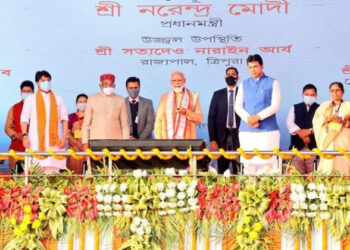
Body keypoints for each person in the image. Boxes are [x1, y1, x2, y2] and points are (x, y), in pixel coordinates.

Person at [235, 54, 281, 174]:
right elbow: (237, 106)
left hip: (267, 130)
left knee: (267, 166)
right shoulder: (243, 84)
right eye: (250, 67)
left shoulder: (273, 82)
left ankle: (269, 192)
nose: (253, 70)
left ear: (262, 66)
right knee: (248, 166)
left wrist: (258, 117)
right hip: (246, 131)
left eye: (255, 66)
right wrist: (249, 119)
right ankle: (248, 192)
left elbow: (275, 106)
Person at [20, 70, 68, 173]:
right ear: (37, 83)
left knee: (53, 175)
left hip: (55, 143)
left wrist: (64, 136)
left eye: (48, 80)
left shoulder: (58, 99)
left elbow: (64, 119)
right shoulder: (30, 99)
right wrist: (24, 136)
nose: (46, 82)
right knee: (35, 174)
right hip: (35, 142)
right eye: (43, 80)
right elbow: (24, 119)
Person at [82, 73, 129, 148]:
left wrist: (126, 143)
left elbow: (125, 125)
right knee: (97, 160)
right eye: (105, 84)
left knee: (115, 160)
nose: (108, 87)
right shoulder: (92, 99)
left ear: (114, 86)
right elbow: (86, 123)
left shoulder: (121, 100)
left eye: (111, 84)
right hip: (96, 140)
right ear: (100, 86)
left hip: (116, 141)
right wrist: (85, 142)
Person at [208, 67, 241, 174]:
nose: (230, 76)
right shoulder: (217, 94)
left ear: (237, 77)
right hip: (222, 138)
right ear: (225, 77)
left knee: (240, 170)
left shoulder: (243, 93)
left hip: (239, 137)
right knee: (222, 171)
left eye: (233, 74)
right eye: (228, 74)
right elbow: (211, 118)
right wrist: (213, 139)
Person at [313, 82, 350, 174]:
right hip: (328, 142)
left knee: (343, 166)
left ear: (343, 92)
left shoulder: (348, 105)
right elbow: (316, 121)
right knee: (327, 169)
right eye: (332, 91)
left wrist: (342, 121)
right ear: (330, 93)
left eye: (337, 90)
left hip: (343, 142)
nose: (335, 93)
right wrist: (329, 119)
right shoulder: (324, 106)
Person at [154, 71, 203, 139]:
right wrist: (159, 141)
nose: (177, 83)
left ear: (184, 81)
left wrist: (186, 112)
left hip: (187, 141)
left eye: (179, 80)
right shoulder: (164, 97)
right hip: (167, 141)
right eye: (174, 80)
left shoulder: (193, 96)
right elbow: (158, 120)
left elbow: (199, 118)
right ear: (171, 82)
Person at [287, 84, 319, 174]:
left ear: (316, 96)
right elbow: (290, 123)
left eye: (312, 95)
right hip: (297, 149)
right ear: (302, 95)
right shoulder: (295, 107)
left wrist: (309, 132)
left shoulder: (320, 108)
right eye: (307, 94)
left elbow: (320, 125)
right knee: (296, 179)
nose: (309, 97)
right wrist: (301, 133)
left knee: (313, 177)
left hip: (313, 149)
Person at [4, 81, 34, 171]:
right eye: (24, 91)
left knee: (34, 177)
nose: (26, 93)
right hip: (17, 147)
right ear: (21, 92)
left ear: (33, 92)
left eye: (29, 91)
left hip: (34, 147)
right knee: (16, 179)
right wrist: (17, 135)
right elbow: (7, 128)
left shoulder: (38, 108)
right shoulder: (14, 108)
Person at [67, 94, 88, 174]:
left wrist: (85, 143)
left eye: (85, 102)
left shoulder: (91, 117)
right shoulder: (71, 117)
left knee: (87, 171)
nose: (82, 103)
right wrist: (76, 143)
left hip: (86, 147)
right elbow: (67, 132)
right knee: (74, 172)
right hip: (74, 148)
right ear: (76, 103)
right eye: (80, 102)